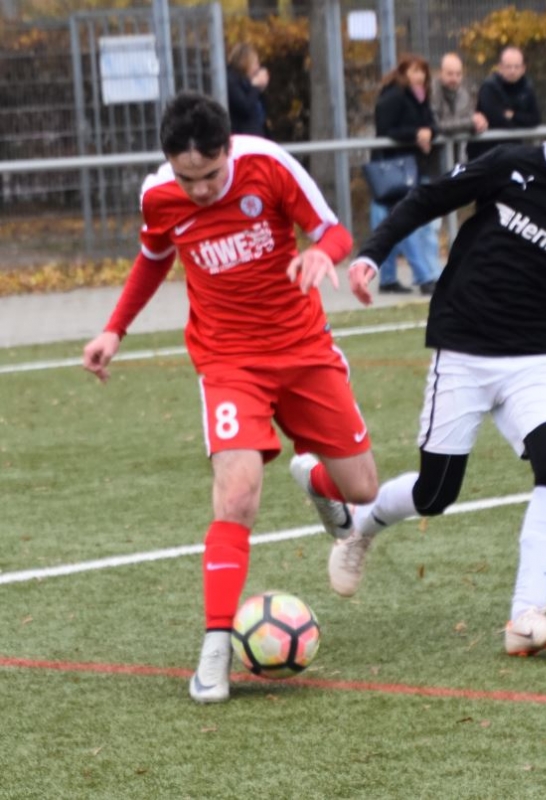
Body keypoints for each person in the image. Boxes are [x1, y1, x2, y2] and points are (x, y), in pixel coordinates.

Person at [294, 79, 546, 657]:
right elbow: (426, 200)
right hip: (463, 349)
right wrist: (372, 254)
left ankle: (526, 615)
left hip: (537, 359)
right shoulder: (511, 165)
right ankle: (359, 526)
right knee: (436, 492)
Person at [82, 91, 378, 703]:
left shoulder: (267, 164)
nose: (199, 189)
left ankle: (317, 481)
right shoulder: (158, 195)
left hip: (303, 349)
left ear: (228, 151)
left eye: (211, 175)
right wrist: (114, 329)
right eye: (187, 177)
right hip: (227, 361)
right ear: (170, 162)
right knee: (237, 495)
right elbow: (152, 259)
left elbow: (334, 230)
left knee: (363, 490)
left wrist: (320, 252)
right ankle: (215, 649)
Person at [370, 53, 442, 296]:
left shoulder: (420, 96)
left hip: (410, 168)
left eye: (422, 71)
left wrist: (428, 132)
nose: (419, 76)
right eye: (414, 71)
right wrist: (415, 135)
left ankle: (388, 278)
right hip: (392, 171)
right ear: (403, 73)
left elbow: (431, 124)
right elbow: (386, 130)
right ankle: (424, 277)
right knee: (404, 223)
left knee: (390, 224)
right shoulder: (394, 96)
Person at [467, 46, 541, 161]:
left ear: (523, 68)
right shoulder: (489, 87)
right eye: (508, 66)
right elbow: (498, 120)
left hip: (514, 152)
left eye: (516, 67)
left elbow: (535, 119)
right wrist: (520, 119)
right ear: (500, 67)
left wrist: (513, 115)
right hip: (486, 153)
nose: (512, 71)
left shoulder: (527, 88)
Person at [430, 51, 489, 172]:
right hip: (435, 161)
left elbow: (469, 122)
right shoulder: (432, 92)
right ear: (440, 73)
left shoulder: (467, 93)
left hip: (461, 160)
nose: (454, 78)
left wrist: (480, 124)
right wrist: (470, 123)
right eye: (450, 74)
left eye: (458, 74)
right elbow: (436, 125)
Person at [226, 43, 270, 136]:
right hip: (243, 135)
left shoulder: (246, 81)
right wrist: (255, 86)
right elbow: (245, 108)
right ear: (245, 63)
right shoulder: (231, 81)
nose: (258, 68)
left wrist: (260, 89)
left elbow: (261, 111)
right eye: (255, 63)